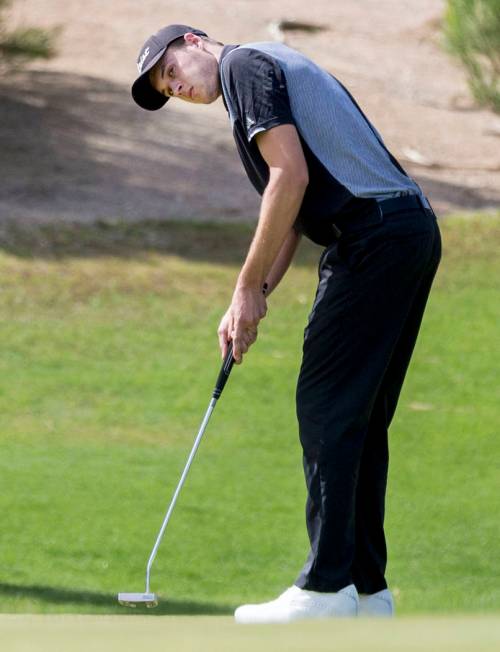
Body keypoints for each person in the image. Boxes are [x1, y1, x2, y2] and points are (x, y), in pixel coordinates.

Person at [131, 24, 442, 624]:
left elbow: (290, 179)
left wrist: (245, 287)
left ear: (194, 41)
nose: (177, 89)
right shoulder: (260, 74)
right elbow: (293, 211)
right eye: (167, 90)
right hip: (406, 231)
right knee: (358, 416)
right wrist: (254, 298)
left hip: (373, 239)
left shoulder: (243, 68)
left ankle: (326, 589)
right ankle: (366, 590)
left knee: (326, 406)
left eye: (172, 72)